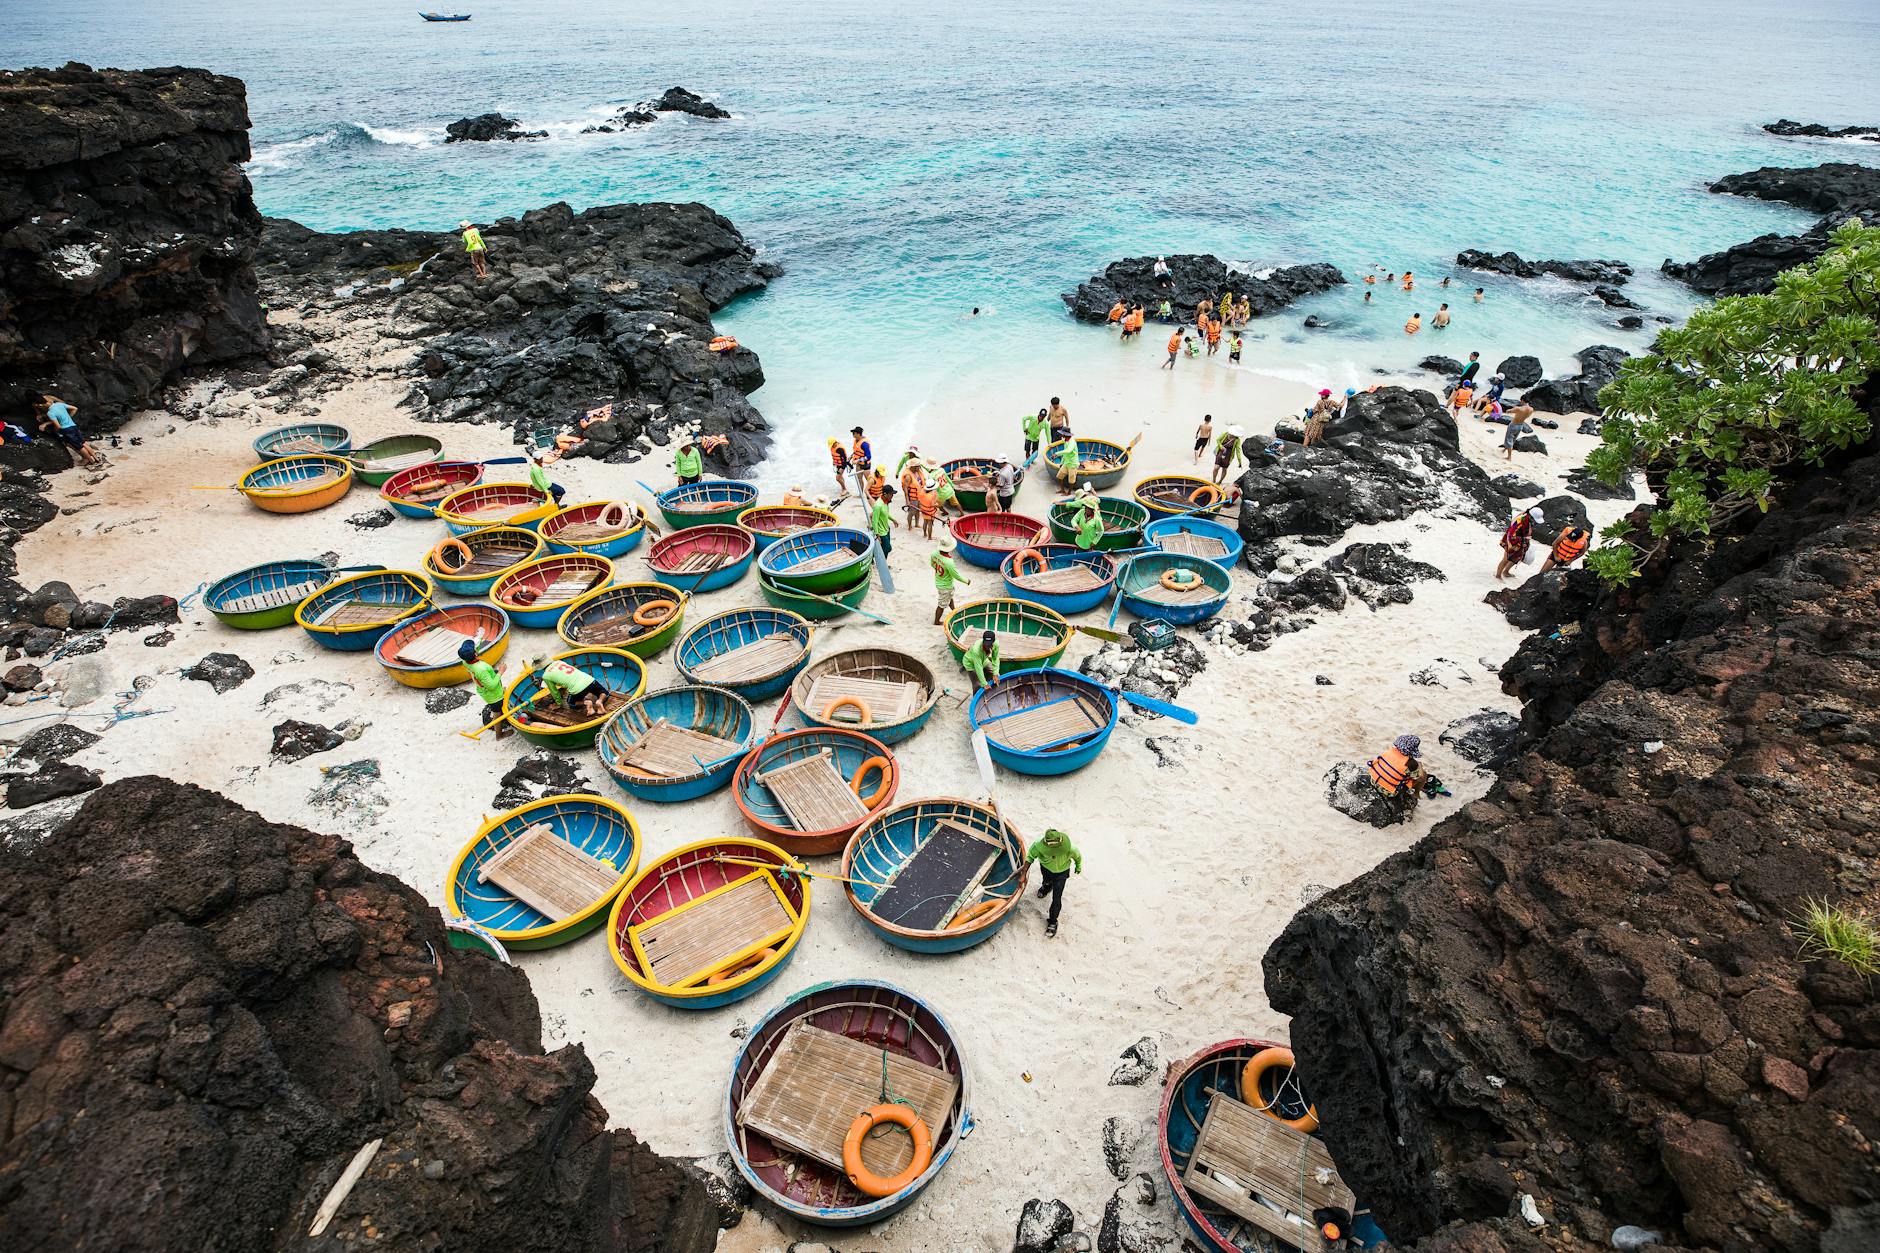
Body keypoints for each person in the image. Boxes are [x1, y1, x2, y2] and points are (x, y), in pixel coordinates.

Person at [1027, 828, 1082, 938]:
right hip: (1046, 868)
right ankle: (1047, 886)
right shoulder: (1037, 845)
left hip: (1061, 874)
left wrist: (1078, 866)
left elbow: (1078, 857)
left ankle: (1053, 921)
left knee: (1057, 898)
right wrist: (1023, 873)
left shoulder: (1071, 848)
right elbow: (1030, 857)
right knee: (1046, 880)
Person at [1366, 734, 1429, 821]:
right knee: (1423, 775)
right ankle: (1416, 793)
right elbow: (1418, 777)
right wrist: (1419, 766)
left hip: (1374, 780)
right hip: (1389, 792)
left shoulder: (1390, 751)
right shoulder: (1411, 763)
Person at [36, 395, 102, 468]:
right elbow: (75, 408)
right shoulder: (59, 404)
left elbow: (58, 426)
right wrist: (69, 417)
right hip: (73, 426)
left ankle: (91, 461)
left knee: (79, 447)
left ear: (43, 404)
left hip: (66, 430)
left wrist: (58, 432)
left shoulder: (50, 413)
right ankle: (96, 458)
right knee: (84, 443)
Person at [462, 641, 511, 737]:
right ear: (475, 654)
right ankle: (499, 735)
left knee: (495, 675)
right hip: (494, 696)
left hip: (483, 690)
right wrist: (501, 672)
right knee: (497, 714)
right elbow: (491, 686)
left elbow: (474, 652)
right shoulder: (481, 669)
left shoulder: (465, 661)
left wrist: (478, 643)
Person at [539, 656, 607, 719]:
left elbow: (554, 692)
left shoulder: (546, 676)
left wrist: (558, 704)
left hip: (577, 689)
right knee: (603, 692)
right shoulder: (559, 662)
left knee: (571, 703)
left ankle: (587, 703)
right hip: (589, 680)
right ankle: (600, 701)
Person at [930, 534, 970, 625]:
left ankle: (953, 610)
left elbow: (932, 564)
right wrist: (966, 581)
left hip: (939, 581)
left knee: (949, 596)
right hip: (946, 586)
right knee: (941, 605)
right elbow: (956, 575)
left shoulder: (934, 554)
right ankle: (936, 621)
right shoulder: (949, 562)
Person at [1496, 506, 1542, 580]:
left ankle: (1506, 571)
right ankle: (1498, 575)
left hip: (1521, 541)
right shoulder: (1520, 520)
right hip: (1512, 541)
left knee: (1516, 558)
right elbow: (1511, 534)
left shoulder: (1528, 519)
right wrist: (1523, 539)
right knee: (1506, 558)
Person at [869, 483, 898, 556]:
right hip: (881, 532)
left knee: (885, 550)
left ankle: (884, 562)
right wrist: (877, 534)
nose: (892, 496)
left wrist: (893, 520)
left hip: (886, 529)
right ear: (885, 494)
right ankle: (875, 558)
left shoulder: (886, 502)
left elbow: (885, 513)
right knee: (888, 548)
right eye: (891, 494)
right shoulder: (878, 505)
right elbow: (874, 521)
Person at [914, 470, 940, 539]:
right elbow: (933, 504)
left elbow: (919, 500)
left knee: (925, 522)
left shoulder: (922, 491)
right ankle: (929, 537)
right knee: (930, 524)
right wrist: (937, 505)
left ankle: (925, 534)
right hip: (930, 511)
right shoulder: (932, 495)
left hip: (923, 510)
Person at [849, 427, 873, 499]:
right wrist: (851, 457)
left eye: (854, 433)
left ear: (858, 434)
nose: (853, 434)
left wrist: (858, 460)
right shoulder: (856, 441)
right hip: (858, 465)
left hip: (865, 465)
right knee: (859, 479)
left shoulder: (864, 444)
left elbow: (868, 456)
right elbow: (856, 450)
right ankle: (861, 495)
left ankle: (871, 494)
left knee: (869, 480)